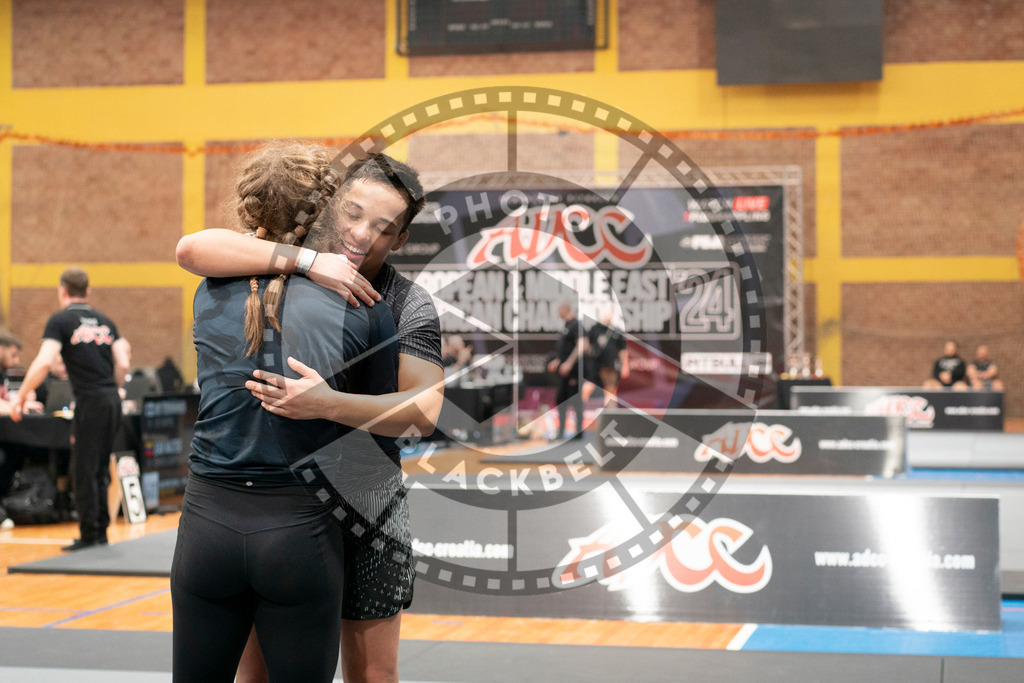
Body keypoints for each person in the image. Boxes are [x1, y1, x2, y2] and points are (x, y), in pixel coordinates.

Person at [176, 149, 443, 683]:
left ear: (400, 240)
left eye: (383, 228)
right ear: (329, 207)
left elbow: (422, 413)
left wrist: (326, 404)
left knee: (373, 674)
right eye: (353, 214)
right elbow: (192, 247)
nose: (363, 234)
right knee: (257, 669)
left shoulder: (403, 303)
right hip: (284, 499)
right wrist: (306, 260)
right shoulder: (276, 259)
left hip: (364, 493)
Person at [11, 268, 131, 550]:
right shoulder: (106, 321)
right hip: (112, 400)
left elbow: (43, 363)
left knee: (83, 468)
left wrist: (21, 397)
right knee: (101, 466)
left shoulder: (60, 321)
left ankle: (90, 536)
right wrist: (111, 388)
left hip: (90, 402)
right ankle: (100, 532)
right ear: (87, 293)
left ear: (62, 291)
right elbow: (123, 364)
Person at [547, 301, 584, 439]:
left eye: (559, 310)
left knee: (576, 401)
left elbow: (582, 346)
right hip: (563, 372)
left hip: (574, 372)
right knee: (561, 400)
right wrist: (558, 361)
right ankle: (561, 431)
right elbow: (565, 349)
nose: (558, 313)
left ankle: (579, 432)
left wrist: (569, 363)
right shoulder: (566, 326)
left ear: (565, 309)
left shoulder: (576, 325)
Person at [581, 306, 629, 409]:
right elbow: (586, 345)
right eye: (605, 315)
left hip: (610, 365)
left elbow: (622, 350)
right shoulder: (594, 329)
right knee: (588, 387)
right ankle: (579, 411)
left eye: (609, 315)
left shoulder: (616, 331)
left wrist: (624, 365)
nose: (607, 317)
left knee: (610, 390)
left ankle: (611, 414)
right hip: (595, 365)